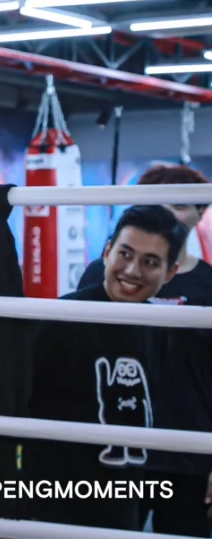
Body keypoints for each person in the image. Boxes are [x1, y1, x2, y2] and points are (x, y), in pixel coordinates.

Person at [24, 205, 186, 531]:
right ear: (108, 251)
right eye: (125, 254)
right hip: (54, 504)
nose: (133, 270)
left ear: (170, 272)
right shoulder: (61, 318)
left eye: (151, 262)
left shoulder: (166, 330)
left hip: (126, 503)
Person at [76, 165, 212, 536]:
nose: (166, 213)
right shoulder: (103, 275)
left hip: (189, 453)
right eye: (157, 202)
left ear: (200, 213)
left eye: (179, 206)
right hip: (111, 450)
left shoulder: (209, 284)